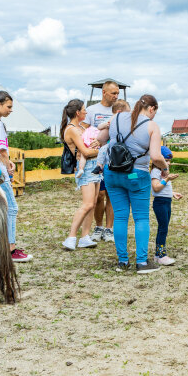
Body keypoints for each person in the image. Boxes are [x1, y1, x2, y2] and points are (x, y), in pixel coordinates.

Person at [103, 94, 169, 274]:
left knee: (121, 217)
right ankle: (141, 262)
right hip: (136, 175)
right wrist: (164, 168)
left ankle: (122, 261)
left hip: (112, 174)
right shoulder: (151, 125)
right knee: (140, 218)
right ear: (152, 109)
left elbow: (101, 139)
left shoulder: (116, 116)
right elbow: (156, 156)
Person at [0, 90, 33, 262]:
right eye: (9, 106)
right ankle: (10, 248)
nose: (11, 110)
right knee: (11, 208)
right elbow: (1, 149)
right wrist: (8, 164)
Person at [61, 99, 102, 251]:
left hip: (94, 165)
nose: (86, 112)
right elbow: (85, 152)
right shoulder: (71, 129)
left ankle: (85, 236)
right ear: (77, 112)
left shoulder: (81, 127)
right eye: (84, 110)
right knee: (87, 204)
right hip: (86, 166)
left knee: (93, 203)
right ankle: (71, 237)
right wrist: (103, 150)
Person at [84, 81, 120, 242]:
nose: (116, 96)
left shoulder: (120, 110)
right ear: (104, 92)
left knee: (112, 194)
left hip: (115, 158)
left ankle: (109, 229)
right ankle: (98, 227)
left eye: (118, 93)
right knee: (99, 195)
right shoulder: (91, 111)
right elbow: (83, 131)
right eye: (113, 93)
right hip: (96, 159)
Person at [150, 146, 183, 266]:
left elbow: (163, 189)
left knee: (164, 228)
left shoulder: (163, 171)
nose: (168, 163)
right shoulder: (156, 171)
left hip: (166, 201)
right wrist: (167, 179)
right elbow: (156, 187)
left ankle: (158, 254)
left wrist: (172, 193)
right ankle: (161, 255)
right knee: (163, 228)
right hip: (160, 203)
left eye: (168, 161)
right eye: (165, 160)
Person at [92, 100, 131, 175]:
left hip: (111, 142)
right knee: (103, 150)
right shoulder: (112, 118)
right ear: (119, 112)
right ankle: (99, 165)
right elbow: (99, 127)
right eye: (127, 113)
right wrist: (105, 125)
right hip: (107, 142)